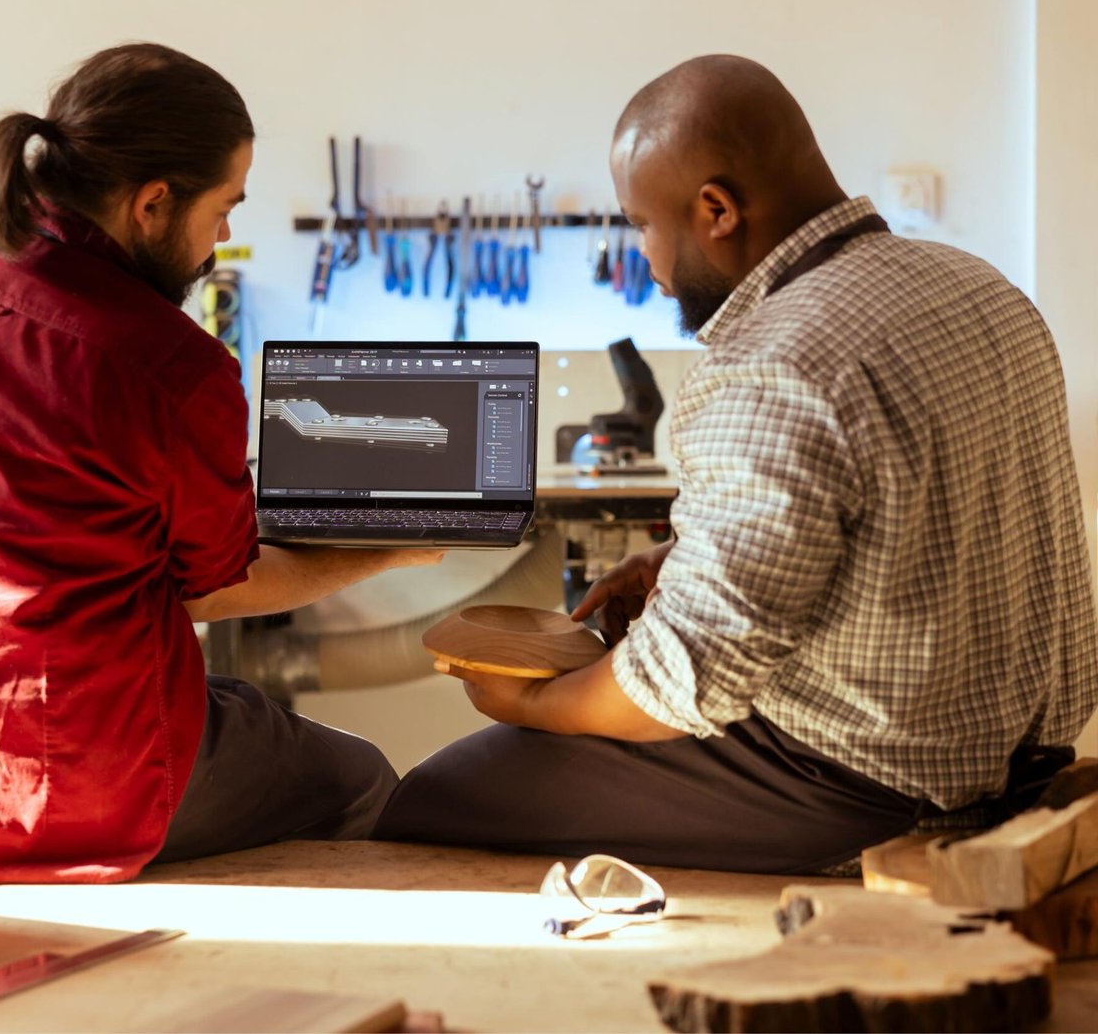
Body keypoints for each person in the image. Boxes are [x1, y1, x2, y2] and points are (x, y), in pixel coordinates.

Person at [374, 55, 1098, 874]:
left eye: (642, 225)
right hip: (1018, 760)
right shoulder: (981, 289)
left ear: (715, 209)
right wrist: (684, 558)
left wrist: (538, 701)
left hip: (865, 784)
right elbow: (921, 525)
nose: (644, 258)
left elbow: (683, 679)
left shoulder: (768, 360)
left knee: (435, 801)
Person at [0, 43, 439, 883]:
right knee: (361, 779)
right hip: (72, 797)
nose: (223, 238)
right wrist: (392, 548)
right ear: (153, 202)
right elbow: (219, 587)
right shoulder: (169, 365)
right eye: (224, 207)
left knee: (244, 714)